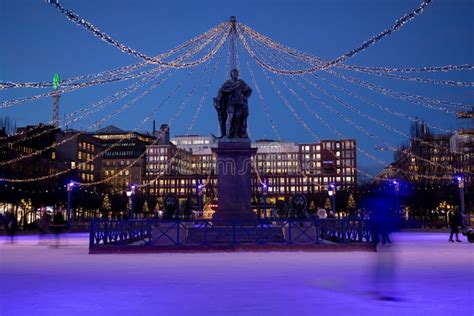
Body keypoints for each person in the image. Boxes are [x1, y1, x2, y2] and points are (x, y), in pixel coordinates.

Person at [214, 69, 252, 139]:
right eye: (234, 73)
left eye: (236, 73)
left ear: (238, 74)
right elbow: (221, 90)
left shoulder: (241, 83)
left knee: (237, 118)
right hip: (231, 102)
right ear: (231, 74)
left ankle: (235, 134)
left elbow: (249, 90)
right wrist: (219, 98)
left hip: (239, 103)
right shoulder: (228, 82)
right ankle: (227, 134)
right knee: (229, 116)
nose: (235, 74)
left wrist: (244, 97)